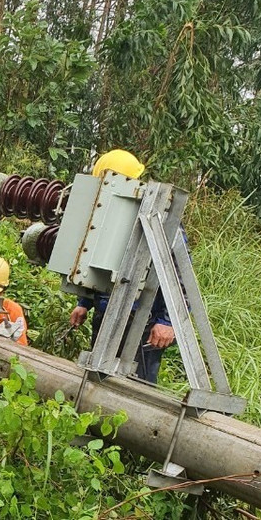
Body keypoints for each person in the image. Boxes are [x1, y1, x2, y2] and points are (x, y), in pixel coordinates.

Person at [68, 149, 175, 383]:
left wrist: (166, 322)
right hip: (106, 313)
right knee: (97, 382)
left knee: (136, 389)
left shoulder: (160, 220)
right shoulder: (104, 215)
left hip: (143, 322)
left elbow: (178, 278)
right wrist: (84, 303)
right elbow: (94, 263)